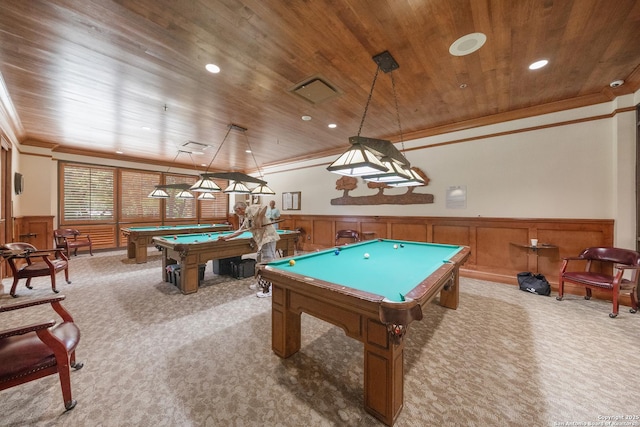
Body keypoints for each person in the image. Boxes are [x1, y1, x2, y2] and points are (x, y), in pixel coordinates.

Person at [218, 201, 279, 297]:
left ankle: (270, 289)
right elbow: (240, 231)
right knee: (259, 261)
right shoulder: (246, 219)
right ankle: (261, 283)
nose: (236, 214)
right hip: (261, 241)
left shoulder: (250, 209)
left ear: (239, 209)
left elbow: (264, 207)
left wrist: (259, 219)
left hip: (268, 238)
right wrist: (226, 237)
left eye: (236, 211)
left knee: (268, 262)